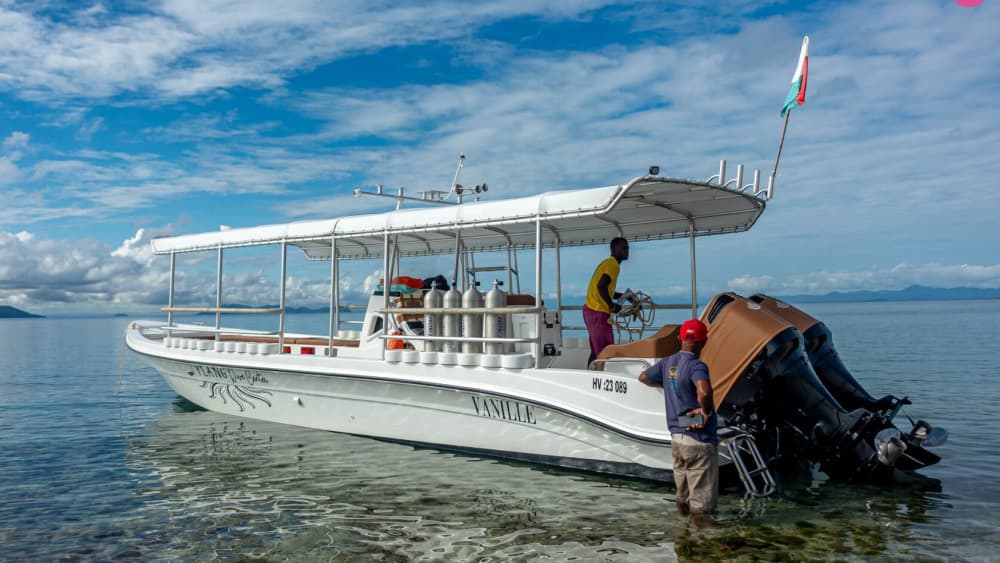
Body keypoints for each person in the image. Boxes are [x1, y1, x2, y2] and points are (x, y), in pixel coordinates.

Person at [638, 319, 718, 517]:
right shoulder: (696, 365)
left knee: (682, 498)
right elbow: (704, 392)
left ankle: (683, 539)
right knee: (701, 507)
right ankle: (704, 540)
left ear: (679, 338)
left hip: (677, 437)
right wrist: (705, 411)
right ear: (704, 341)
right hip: (698, 438)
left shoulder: (667, 363)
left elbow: (643, 377)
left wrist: (667, 385)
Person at [583, 237, 629, 365]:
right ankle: (597, 380)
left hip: (590, 310)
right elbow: (601, 286)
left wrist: (625, 296)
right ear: (614, 249)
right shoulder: (613, 265)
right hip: (598, 312)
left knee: (595, 351)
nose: (627, 251)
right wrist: (612, 306)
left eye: (627, 248)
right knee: (604, 353)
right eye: (623, 248)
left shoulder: (607, 263)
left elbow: (606, 290)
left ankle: (589, 376)